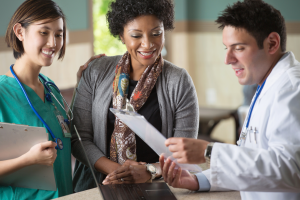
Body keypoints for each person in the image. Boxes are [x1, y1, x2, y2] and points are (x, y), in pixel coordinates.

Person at [160, 0, 300, 200]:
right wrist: (199, 180)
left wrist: (208, 152)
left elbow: (290, 168)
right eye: (226, 48)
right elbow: (254, 163)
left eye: (238, 48)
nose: (227, 59)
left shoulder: (293, 89)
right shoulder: (267, 84)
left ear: (272, 43)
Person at [71, 0, 199, 192]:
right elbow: (79, 138)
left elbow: (185, 153)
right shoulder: (96, 72)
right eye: (136, 35)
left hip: (158, 187)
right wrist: (120, 173)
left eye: (156, 33)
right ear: (121, 35)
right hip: (97, 186)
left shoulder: (179, 81)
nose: (147, 44)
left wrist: (149, 171)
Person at [0, 0, 103, 199]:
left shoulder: (50, 88)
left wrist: (82, 85)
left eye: (59, 34)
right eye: (44, 32)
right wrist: (28, 160)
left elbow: (68, 131)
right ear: (20, 32)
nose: (53, 43)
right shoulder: (2, 93)